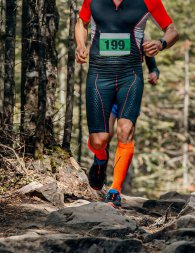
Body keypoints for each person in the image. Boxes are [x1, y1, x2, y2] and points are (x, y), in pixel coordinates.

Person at [75, 0, 179, 207]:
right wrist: (80, 45)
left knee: (125, 130)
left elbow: (172, 30)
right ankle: (100, 159)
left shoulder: (148, 1)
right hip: (99, 74)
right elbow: (81, 23)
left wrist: (160, 43)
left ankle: (115, 190)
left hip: (130, 75)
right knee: (99, 140)